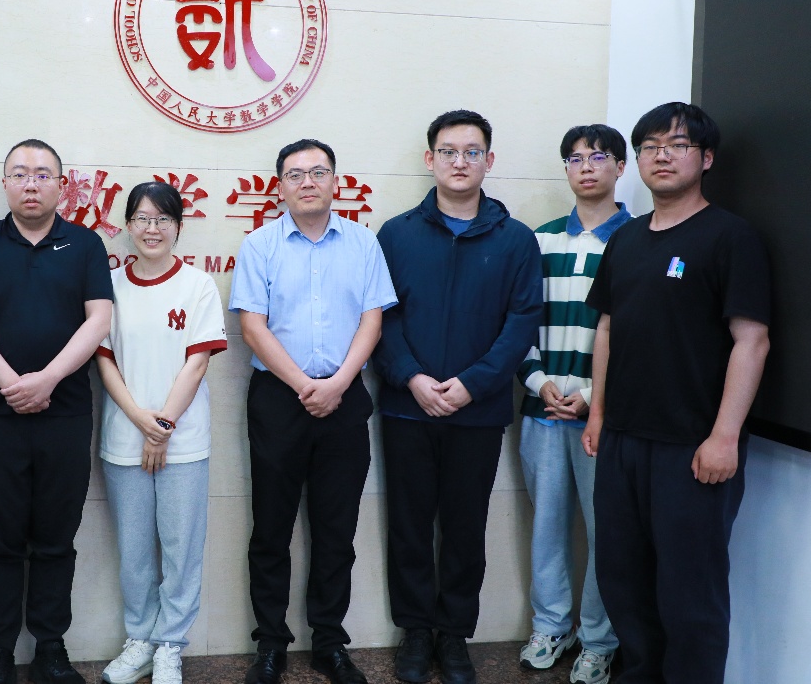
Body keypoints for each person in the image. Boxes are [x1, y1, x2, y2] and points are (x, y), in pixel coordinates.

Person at [583, 103, 770, 684]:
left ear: (706, 158)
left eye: (678, 145)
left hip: (692, 448)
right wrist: (598, 413)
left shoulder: (731, 237)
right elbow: (608, 328)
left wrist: (724, 436)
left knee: (690, 595)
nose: (661, 156)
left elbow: (752, 340)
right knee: (623, 581)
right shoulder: (626, 239)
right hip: (621, 441)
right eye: (650, 146)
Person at [374, 110, 542, 684]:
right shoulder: (396, 234)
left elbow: (521, 322)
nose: (460, 161)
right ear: (430, 159)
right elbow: (381, 317)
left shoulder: (516, 239)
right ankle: (416, 632)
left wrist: (473, 383)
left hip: (480, 411)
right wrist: (412, 377)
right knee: (410, 524)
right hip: (407, 406)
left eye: (472, 152)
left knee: (466, 527)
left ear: (489, 161)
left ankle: (453, 635)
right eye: (448, 151)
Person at [229, 139, 397, 684]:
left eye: (318, 172)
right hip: (279, 400)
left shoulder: (363, 243)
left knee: (336, 529)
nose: (308, 182)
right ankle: (270, 644)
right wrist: (306, 385)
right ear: (279, 186)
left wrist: (339, 382)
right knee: (271, 529)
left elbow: (373, 318)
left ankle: (329, 642)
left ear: (335, 181)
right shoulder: (259, 245)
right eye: (296, 174)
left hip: (345, 397)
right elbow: (252, 326)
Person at [0, 139, 113, 684]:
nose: (31, 183)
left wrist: (47, 380)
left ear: (61, 186)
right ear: (5, 183)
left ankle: (50, 646)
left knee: (56, 537)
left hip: (65, 414)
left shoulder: (85, 244)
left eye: (43, 174)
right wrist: (12, 384)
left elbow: (98, 320)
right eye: (20, 173)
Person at [96, 182, 227, 684]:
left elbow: (198, 363)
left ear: (178, 226)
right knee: (133, 551)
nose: (152, 229)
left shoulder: (197, 285)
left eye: (163, 220)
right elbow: (105, 362)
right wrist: (141, 422)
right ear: (128, 225)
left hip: (184, 442)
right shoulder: (110, 287)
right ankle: (140, 640)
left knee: (180, 548)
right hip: (123, 438)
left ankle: (170, 645)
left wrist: (164, 427)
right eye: (143, 219)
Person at [514, 126, 628, 683]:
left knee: (607, 531)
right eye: (575, 158)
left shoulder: (638, 239)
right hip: (542, 409)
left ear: (620, 167)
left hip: (604, 417)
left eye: (598, 157)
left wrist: (589, 397)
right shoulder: (539, 241)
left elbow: (638, 335)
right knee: (547, 527)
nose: (586, 167)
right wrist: (539, 383)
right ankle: (551, 626)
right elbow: (518, 324)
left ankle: (600, 640)